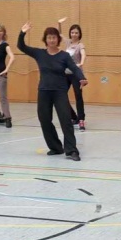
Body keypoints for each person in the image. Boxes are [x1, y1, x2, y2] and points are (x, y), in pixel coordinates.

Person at [17, 22, 87, 161]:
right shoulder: (39, 53)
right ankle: (55, 147)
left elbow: (74, 68)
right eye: (49, 37)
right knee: (44, 120)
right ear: (45, 39)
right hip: (44, 91)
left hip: (60, 92)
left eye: (54, 37)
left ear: (58, 39)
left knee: (66, 120)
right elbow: (21, 46)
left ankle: (71, 150)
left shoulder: (64, 56)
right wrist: (22, 33)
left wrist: (82, 78)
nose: (51, 40)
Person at [57, 17, 87, 131]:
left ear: (79, 34)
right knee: (61, 95)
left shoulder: (80, 45)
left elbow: (83, 54)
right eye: (72, 32)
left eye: (76, 33)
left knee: (78, 96)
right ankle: (74, 117)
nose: (74, 34)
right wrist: (59, 23)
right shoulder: (68, 42)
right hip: (66, 73)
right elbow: (59, 34)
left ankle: (81, 120)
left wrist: (81, 63)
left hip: (76, 74)